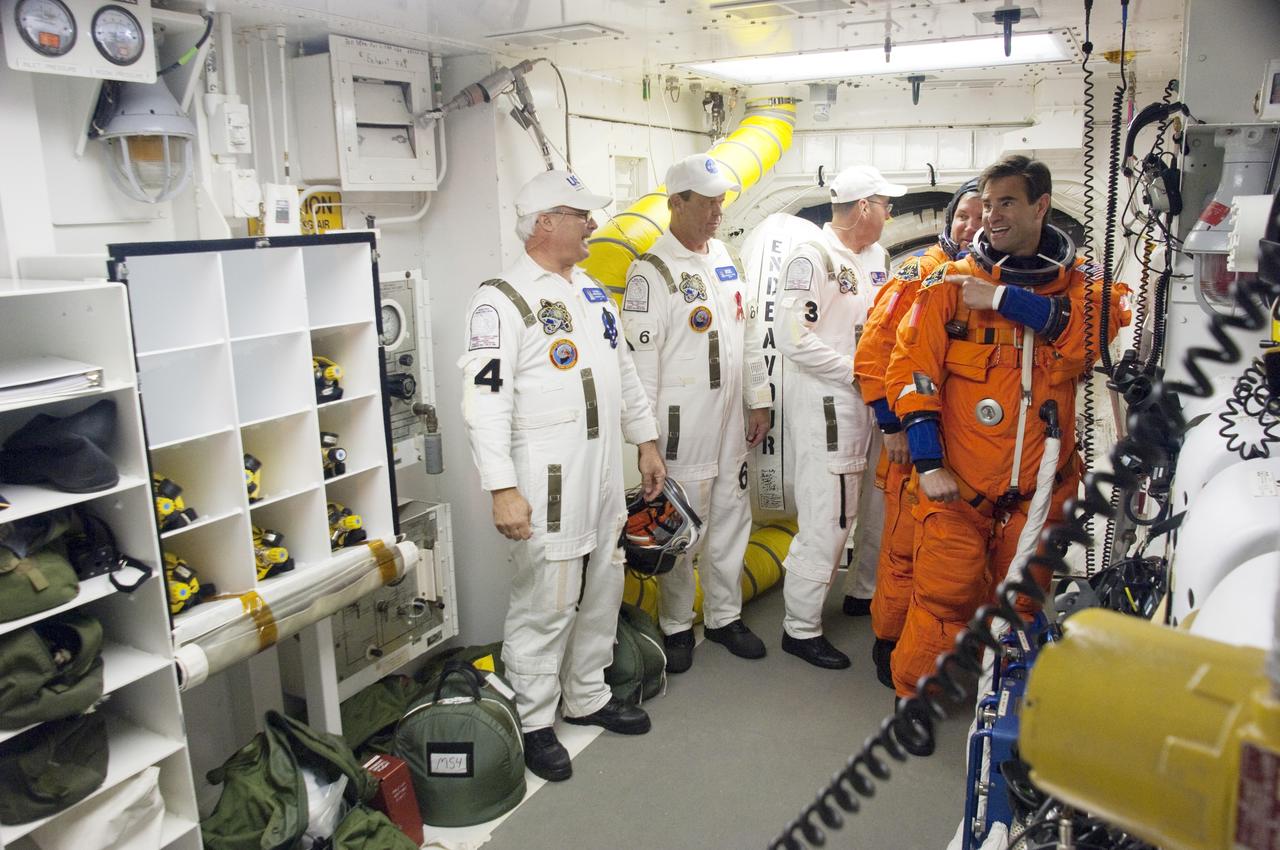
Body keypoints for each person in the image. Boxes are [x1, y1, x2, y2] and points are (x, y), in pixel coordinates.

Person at [885, 154, 1128, 699]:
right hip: (962, 486)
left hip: (1040, 490)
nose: (992, 216)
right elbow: (910, 371)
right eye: (988, 204)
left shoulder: (1081, 288)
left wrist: (1003, 299)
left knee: (1021, 600)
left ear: (1041, 206)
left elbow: (1088, 341)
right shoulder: (949, 285)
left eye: (1007, 203)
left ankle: (1006, 696)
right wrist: (927, 461)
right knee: (943, 598)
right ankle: (913, 701)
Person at [457, 169, 667, 782]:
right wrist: (502, 488)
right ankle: (533, 719)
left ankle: (588, 693)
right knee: (546, 603)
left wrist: (646, 442)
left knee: (603, 584)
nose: (594, 226)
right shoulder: (502, 300)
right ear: (545, 221)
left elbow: (623, 372)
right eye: (582, 216)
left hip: (601, 473)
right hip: (544, 480)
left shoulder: (592, 293)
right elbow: (483, 402)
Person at [620, 154, 773, 674]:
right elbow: (638, 368)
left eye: (720, 202)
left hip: (731, 423)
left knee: (732, 519)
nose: (716, 212)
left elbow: (748, 335)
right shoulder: (652, 273)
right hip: (679, 430)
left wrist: (760, 397)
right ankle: (677, 625)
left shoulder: (724, 257)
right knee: (680, 528)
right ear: (675, 204)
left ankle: (726, 617)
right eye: (705, 203)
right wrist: (646, 442)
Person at [853, 179, 982, 689]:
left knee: (950, 561)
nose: (971, 226)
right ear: (949, 221)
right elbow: (873, 355)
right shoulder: (921, 274)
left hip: (965, 445)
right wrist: (892, 426)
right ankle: (889, 646)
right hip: (914, 436)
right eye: (962, 217)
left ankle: (942, 648)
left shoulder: (987, 282)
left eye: (981, 215)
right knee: (905, 552)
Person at [775, 164, 906, 669]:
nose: (891, 213)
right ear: (863, 207)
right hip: (831, 402)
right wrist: (854, 374)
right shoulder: (812, 258)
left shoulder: (877, 256)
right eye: (885, 204)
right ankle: (800, 627)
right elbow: (791, 337)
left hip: (873, 400)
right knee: (831, 514)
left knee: (876, 499)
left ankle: (863, 591)